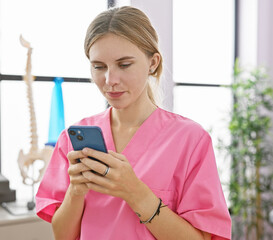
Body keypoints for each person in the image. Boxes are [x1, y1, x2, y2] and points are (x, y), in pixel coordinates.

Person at [35, 6, 231, 240]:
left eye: (124, 64)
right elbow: (62, 236)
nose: (110, 80)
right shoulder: (71, 140)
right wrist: (76, 192)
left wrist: (135, 192)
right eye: (99, 67)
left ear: (153, 63)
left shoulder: (191, 140)